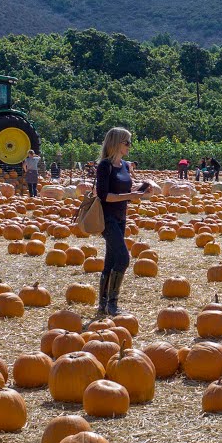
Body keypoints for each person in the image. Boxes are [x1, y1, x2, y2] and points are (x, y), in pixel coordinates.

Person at [95, 127, 148, 316]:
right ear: (117, 143)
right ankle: (112, 303)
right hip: (107, 218)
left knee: (110, 260)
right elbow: (103, 195)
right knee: (123, 258)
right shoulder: (104, 166)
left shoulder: (125, 165)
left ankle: (103, 304)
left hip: (121, 218)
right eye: (127, 142)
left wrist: (140, 188)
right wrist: (130, 195)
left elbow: (125, 186)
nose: (129, 146)